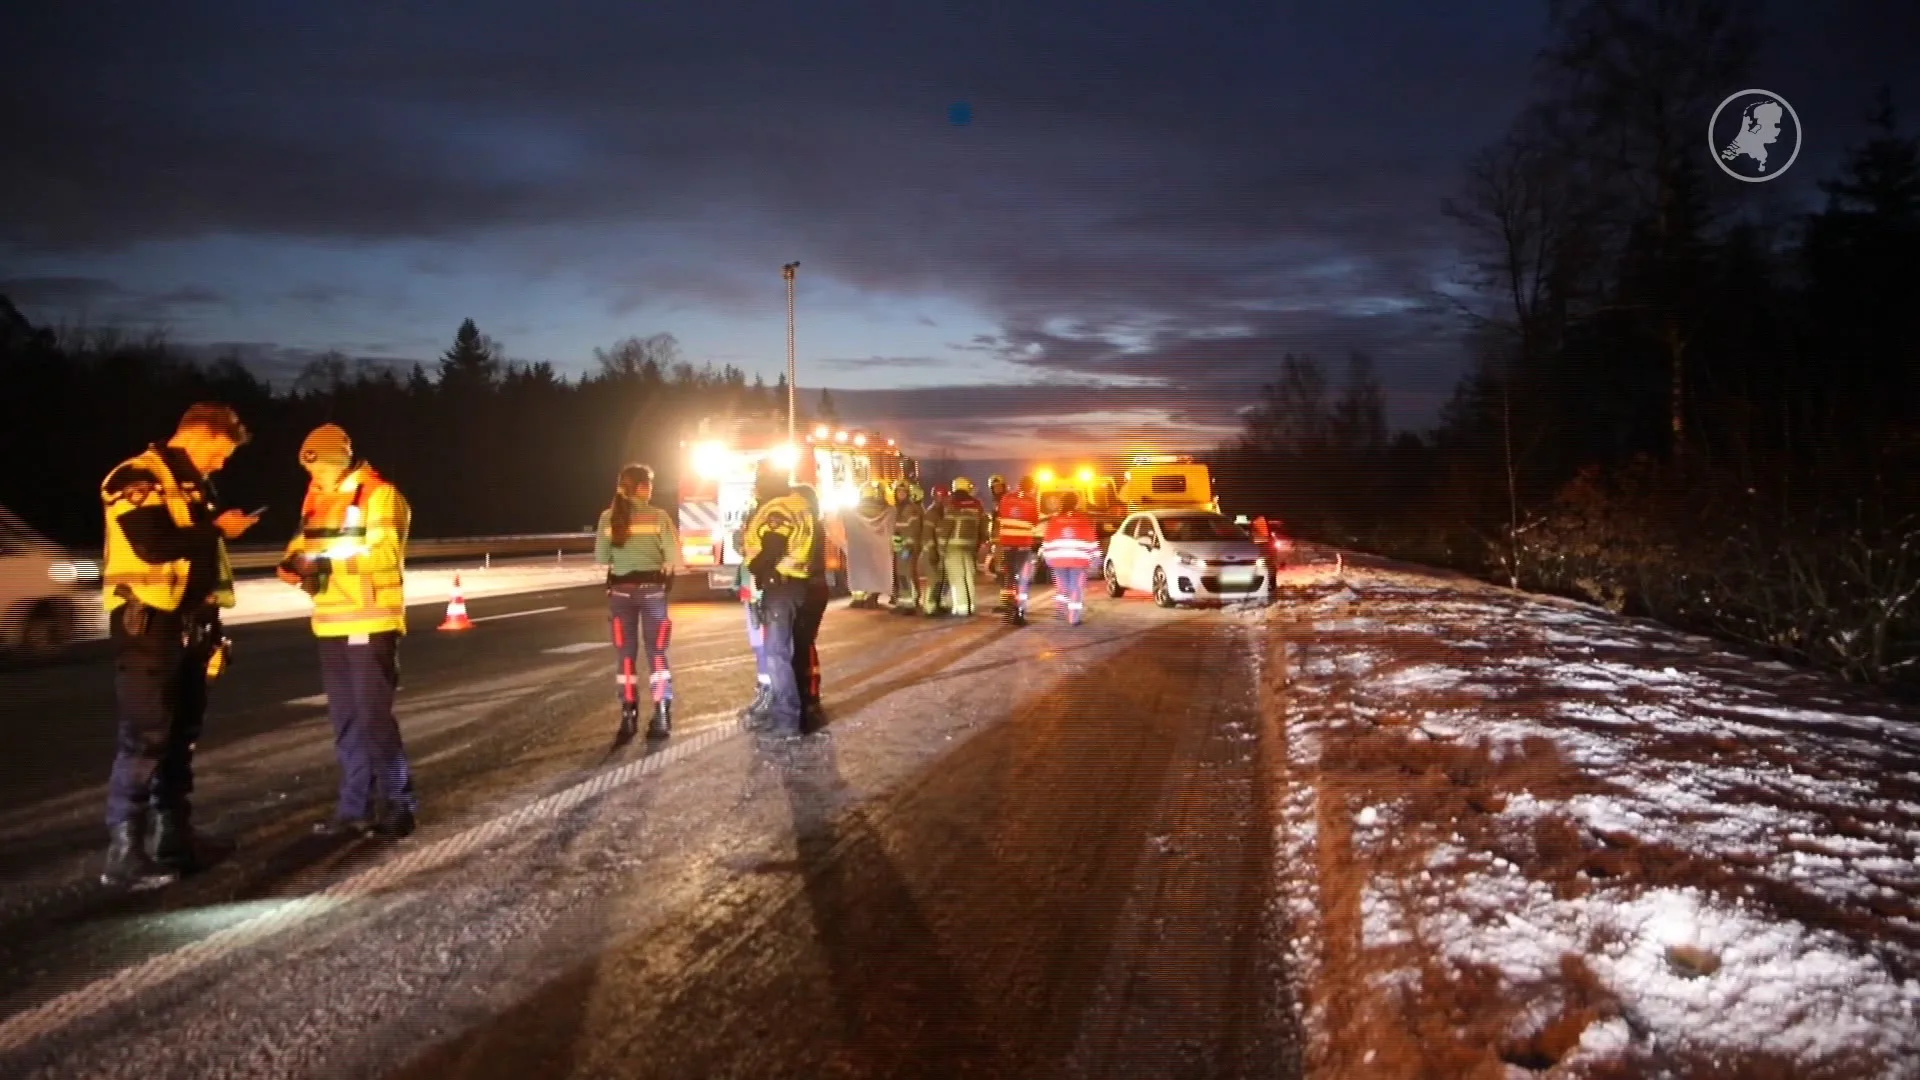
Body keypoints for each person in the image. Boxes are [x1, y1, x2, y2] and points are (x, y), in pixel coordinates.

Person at [98, 402, 258, 888]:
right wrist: (215, 530)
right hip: (147, 626)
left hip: (189, 626)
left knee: (180, 736)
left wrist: (211, 626)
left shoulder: (192, 485)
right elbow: (151, 542)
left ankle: (174, 837)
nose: (222, 462)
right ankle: (124, 854)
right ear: (199, 434)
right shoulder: (134, 475)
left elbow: (198, 559)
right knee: (146, 737)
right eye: (221, 451)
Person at [278, 424, 419, 838]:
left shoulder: (379, 494)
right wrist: (290, 564)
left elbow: (385, 554)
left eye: (318, 468)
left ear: (337, 461)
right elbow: (300, 545)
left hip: (371, 620)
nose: (313, 477)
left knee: (373, 719)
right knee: (345, 722)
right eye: (309, 470)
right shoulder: (318, 497)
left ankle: (399, 803)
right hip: (330, 621)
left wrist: (323, 564)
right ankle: (354, 807)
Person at [594, 464, 682, 741]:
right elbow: (672, 557)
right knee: (657, 654)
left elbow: (601, 557)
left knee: (626, 656)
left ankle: (628, 716)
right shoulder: (658, 517)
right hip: (653, 593)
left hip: (620, 595)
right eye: (650, 484)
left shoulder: (608, 518)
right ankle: (662, 715)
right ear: (643, 487)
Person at [742, 472, 819, 737]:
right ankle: (796, 713)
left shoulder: (778, 509)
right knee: (792, 652)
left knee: (776, 654)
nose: (755, 488)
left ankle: (786, 720)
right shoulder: (801, 506)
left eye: (758, 482)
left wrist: (755, 567)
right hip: (797, 585)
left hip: (780, 587)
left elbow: (773, 547)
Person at [734, 464, 787, 724]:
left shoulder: (773, 514)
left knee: (767, 643)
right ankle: (764, 689)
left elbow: (766, 553)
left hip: (762, 586)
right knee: (759, 644)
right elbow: (744, 545)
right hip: (752, 584)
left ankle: (771, 694)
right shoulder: (756, 512)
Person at [792, 483, 832, 733]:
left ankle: (810, 699)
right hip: (812, 589)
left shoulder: (808, 527)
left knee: (803, 645)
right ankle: (809, 696)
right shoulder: (811, 524)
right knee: (804, 644)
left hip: (810, 589)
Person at [1041, 490, 1102, 626]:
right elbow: (1091, 539)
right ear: (1076, 503)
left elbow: (1047, 540)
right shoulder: (1083, 519)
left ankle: (1060, 611)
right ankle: (1074, 618)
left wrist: (1047, 556)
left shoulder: (1055, 519)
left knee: (1062, 587)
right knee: (1076, 587)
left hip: (1058, 559)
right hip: (1078, 559)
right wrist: (1096, 558)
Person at [993, 473, 1042, 626]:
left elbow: (1000, 516)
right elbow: (1034, 521)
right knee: (1022, 578)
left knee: (1009, 575)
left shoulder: (1006, 498)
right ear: (1031, 487)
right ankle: (1019, 613)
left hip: (1007, 543)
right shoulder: (1031, 501)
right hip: (1023, 545)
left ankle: (1008, 607)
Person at [938, 477, 988, 616]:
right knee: (968, 576)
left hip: (953, 546)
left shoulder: (950, 503)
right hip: (970, 545)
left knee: (956, 578)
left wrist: (941, 548)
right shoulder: (976, 503)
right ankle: (970, 605)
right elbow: (983, 524)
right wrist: (981, 542)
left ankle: (961, 607)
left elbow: (945, 527)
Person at [890, 479, 924, 615]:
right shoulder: (900, 508)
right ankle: (904, 602)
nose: (900, 494)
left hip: (907, 547)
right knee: (902, 574)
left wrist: (909, 546)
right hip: (900, 548)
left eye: (903, 492)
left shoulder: (911, 509)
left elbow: (913, 529)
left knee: (906, 574)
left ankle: (910, 603)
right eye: (898, 491)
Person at [918, 485, 948, 616]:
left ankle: (937, 604)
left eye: (944, 497)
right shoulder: (931, 513)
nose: (942, 499)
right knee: (933, 581)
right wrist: (931, 552)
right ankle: (929, 608)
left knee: (940, 580)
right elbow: (927, 535)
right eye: (939, 497)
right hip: (932, 553)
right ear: (934, 497)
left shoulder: (943, 512)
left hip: (940, 553)